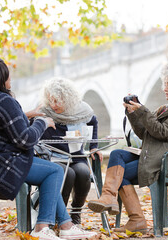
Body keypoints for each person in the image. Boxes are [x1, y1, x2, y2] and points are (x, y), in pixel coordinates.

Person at [0, 56, 96, 240]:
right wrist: (42, 122)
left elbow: (2, 125)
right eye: (7, 76)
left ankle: (66, 225)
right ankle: (42, 227)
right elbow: (25, 140)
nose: (10, 80)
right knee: (55, 172)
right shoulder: (4, 101)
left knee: (50, 171)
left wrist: (30, 114)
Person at [88, 61, 168, 233]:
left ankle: (135, 219)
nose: (164, 88)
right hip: (155, 155)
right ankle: (109, 197)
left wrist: (143, 110)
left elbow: (162, 132)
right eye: (164, 84)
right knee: (117, 154)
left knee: (120, 173)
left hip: (167, 162)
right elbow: (145, 133)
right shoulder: (167, 109)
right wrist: (133, 113)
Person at [29, 77, 103, 225]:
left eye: (57, 101)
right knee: (67, 174)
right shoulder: (44, 111)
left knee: (83, 173)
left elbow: (93, 121)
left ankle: (76, 212)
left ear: (68, 99)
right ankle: (59, 217)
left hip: (76, 156)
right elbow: (30, 130)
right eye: (51, 100)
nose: (53, 105)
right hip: (52, 157)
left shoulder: (81, 110)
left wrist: (93, 146)